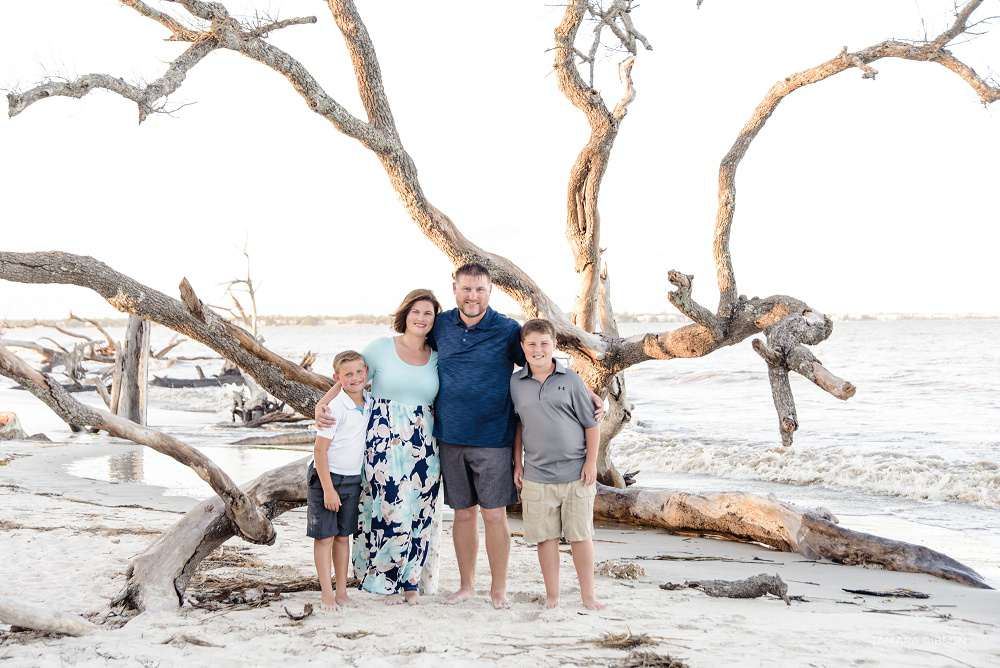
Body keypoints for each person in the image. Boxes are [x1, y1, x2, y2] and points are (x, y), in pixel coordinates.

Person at [432, 263, 604, 609]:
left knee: (494, 515)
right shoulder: (439, 326)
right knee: (463, 514)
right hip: (450, 436)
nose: (472, 296)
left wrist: (588, 393)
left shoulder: (507, 329)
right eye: (466, 289)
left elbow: (539, 361)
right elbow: (414, 357)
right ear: (454, 289)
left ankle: (498, 590)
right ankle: (466, 586)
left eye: (480, 289)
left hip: (495, 437)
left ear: (490, 291)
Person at [315, 289, 442, 605]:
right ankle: (387, 582)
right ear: (405, 314)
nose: (421, 318)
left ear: (435, 319)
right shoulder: (382, 347)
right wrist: (324, 402)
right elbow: (349, 375)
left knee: (419, 512)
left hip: (425, 444)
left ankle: (411, 583)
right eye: (416, 311)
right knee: (389, 510)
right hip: (383, 442)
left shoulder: (439, 356)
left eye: (428, 313)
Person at [510, 319, 605, 610]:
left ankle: (588, 596)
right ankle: (553, 596)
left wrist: (591, 463)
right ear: (523, 347)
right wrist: (518, 463)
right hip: (537, 476)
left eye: (544, 343)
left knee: (580, 536)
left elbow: (592, 425)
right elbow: (518, 426)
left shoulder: (571, 380)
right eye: (532, 344)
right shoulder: (515, 383)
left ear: (554, 346)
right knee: (546, 538)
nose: (538, 349)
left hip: (576, 474)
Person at [307, 349, 370, 612]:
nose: (355, 377)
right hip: (326, 478)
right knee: (325, 538)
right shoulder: (333, 409)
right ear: (337, 377)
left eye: (359, 371)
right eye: (347, 374)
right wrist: (329, 490)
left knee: (344, 537)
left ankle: (342, 592)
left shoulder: (369, 401)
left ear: (367, 372)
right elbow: (319, 451)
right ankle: (326, 594)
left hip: (353, 479)